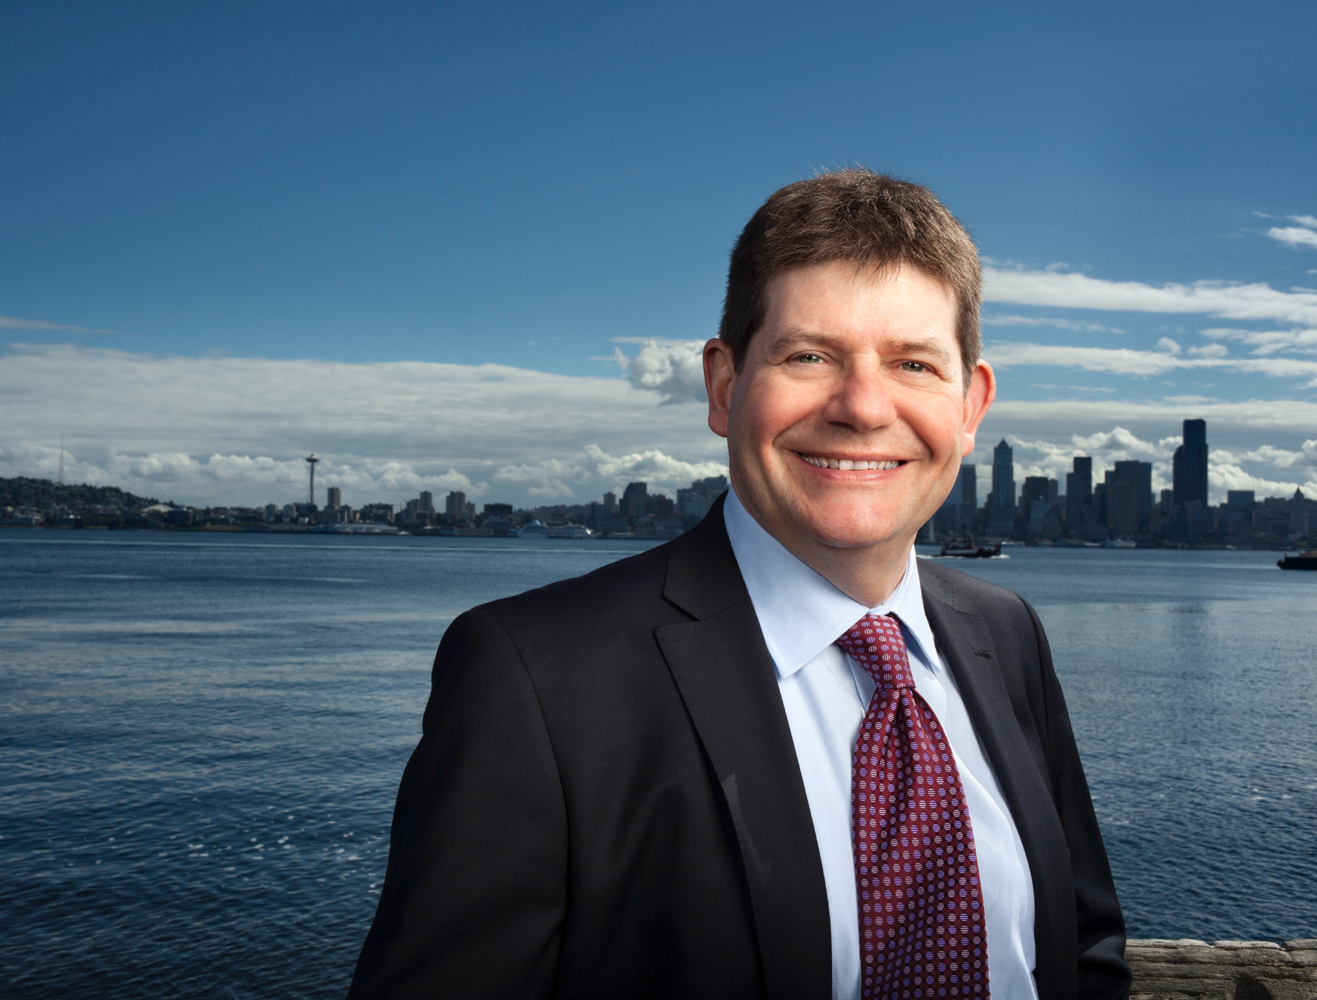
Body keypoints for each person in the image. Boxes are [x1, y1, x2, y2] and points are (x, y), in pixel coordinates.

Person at [347, 169, 1130, 1000]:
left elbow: (1084, 948)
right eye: (809, 356)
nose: (864, 408)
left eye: (913, 363)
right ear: (724, 386)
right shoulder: (534, 676)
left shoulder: (1006, 634)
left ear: (970, 407)